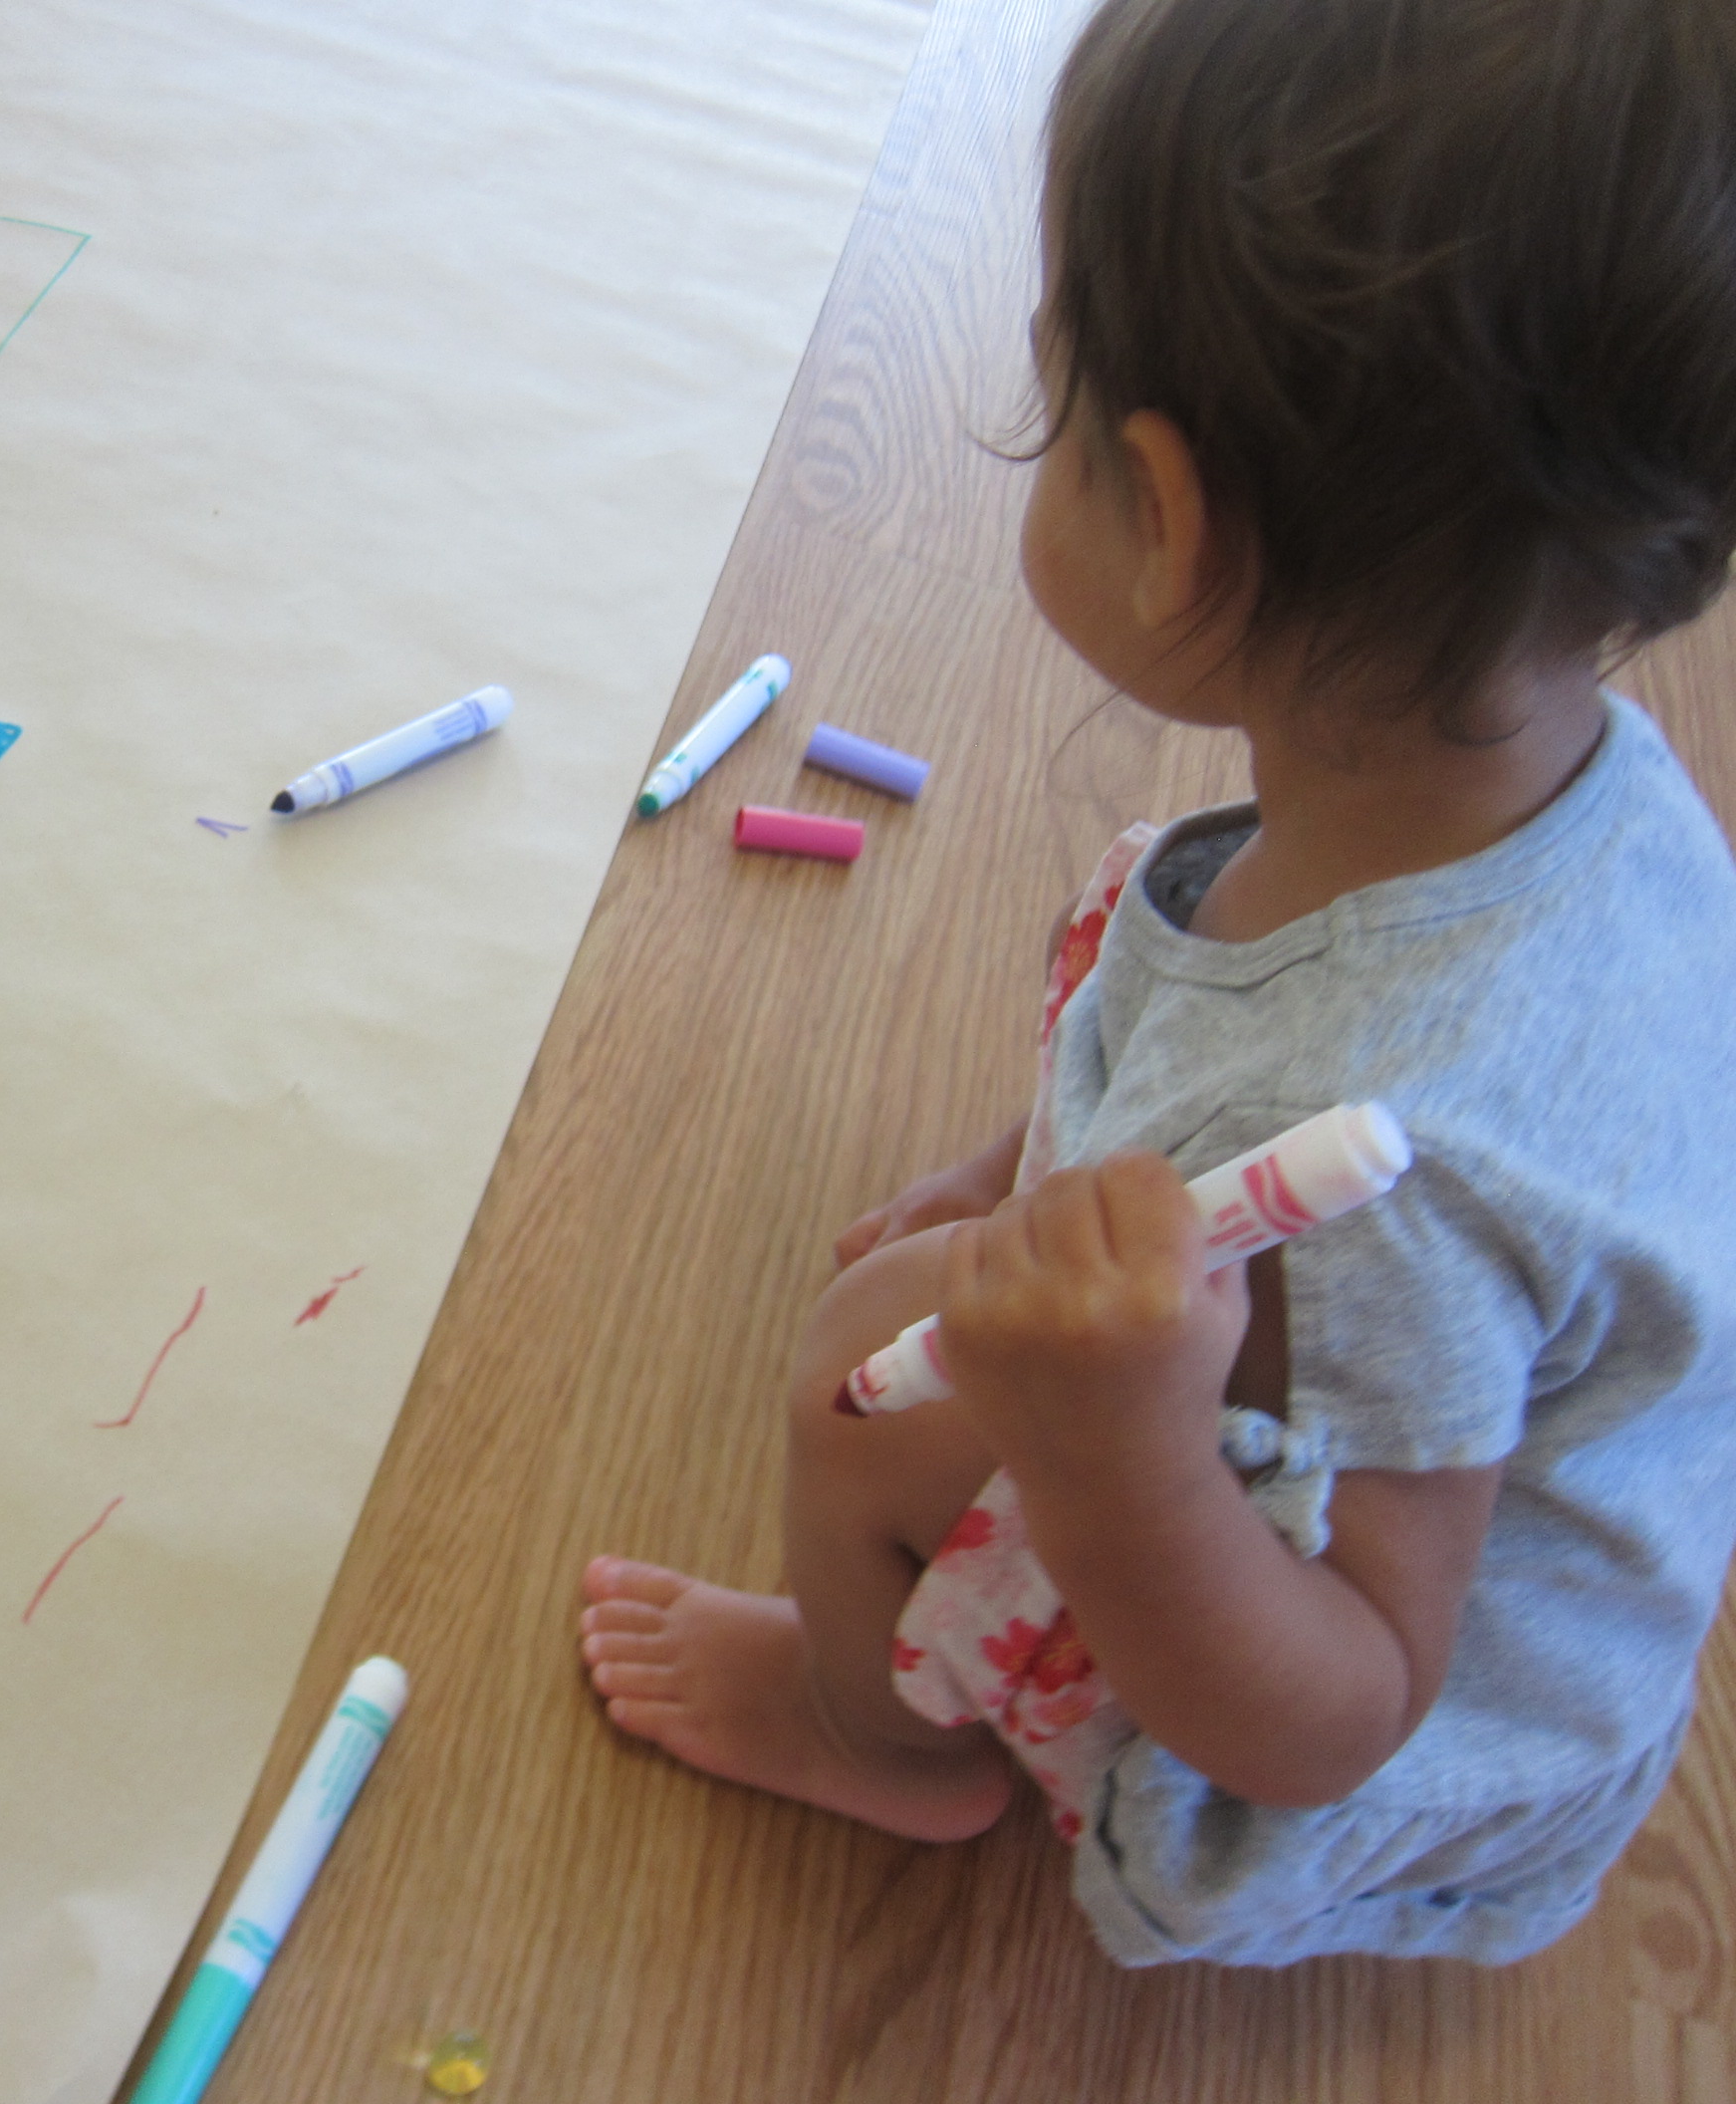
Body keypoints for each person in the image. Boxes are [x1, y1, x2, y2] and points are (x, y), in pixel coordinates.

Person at [577, 0, 1736, 1965]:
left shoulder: (1393, 1182)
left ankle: (882, 1739)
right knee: (958, 1256)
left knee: (864, 1373)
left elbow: (1335, 1709)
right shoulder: (1573, 785)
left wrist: (1111, 1448)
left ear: (1167, 516)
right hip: (1510, 1483)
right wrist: (1037, 1159)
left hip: (1405, 1733)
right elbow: (1192, 1014)